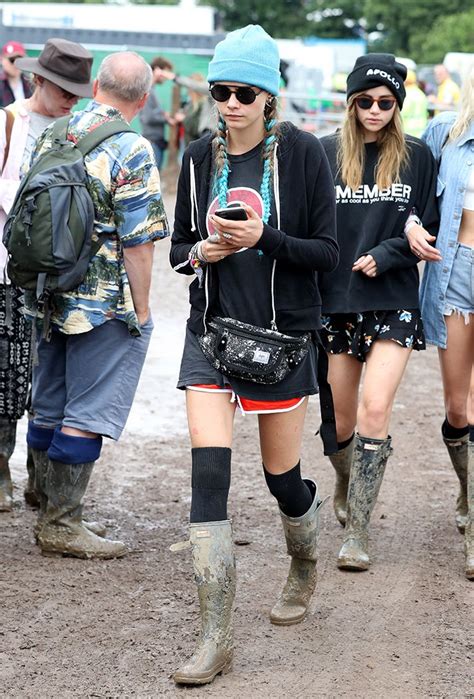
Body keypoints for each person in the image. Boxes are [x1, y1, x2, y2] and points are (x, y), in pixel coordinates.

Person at [169, 24, 338, 685]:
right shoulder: (195, 157)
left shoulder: (302, 155)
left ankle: (303, 560)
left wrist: (265, 238)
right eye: (221, 91)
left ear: (270, 96)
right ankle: (215, 636)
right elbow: (182, 243)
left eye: (244, 92)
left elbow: (324, 252)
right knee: (206, 479)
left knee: (281, 479)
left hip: (280, 341)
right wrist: (199, 253)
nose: (231, 104)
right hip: (210, 335)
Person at [23, 50, 169, 559]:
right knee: (86, 410)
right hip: (101, 300)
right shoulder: (132, 149)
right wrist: (143, 308)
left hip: (44, 290)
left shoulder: (53, 131)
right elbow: (140, 243)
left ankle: (41, 496)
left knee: (49, 401)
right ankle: (61, 524)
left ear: (96, 85)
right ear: (143, 99)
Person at [319, 54, 438, 571]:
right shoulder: (323, 154)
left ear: (398, 105)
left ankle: (359, 533)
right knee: (341, 421)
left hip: (391, 298)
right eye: (363, 101)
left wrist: (389, 253)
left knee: (373, 412)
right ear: (350, 103)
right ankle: (346, 482)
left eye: (385, 103)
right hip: (336, 303)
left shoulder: (416, 156)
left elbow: (426, 225)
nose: (374, 110)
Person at [0, 38, 94, 513]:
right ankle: (2, 470)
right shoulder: (9, 123)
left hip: (59, 278)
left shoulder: (78, 131)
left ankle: (40, 478)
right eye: (63, 88)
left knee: (48, 377)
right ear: (39, 79)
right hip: (8, 273)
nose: (70, 99)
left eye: (77, 91)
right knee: (6, 373)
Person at [404, 68, 474, 580]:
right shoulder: (445, 133)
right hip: (455, 274)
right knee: (458, 405)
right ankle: (467, 488)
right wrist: (410, 225)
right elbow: (410, 191)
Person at [138, 55, 175, 169]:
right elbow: (148, 117)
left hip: (155, 141)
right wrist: (166, 119)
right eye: (166, 73)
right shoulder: (148, 90)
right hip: (152, 141)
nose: (166, 78)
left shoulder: (151, 90)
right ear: (158, 70)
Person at [0, 40, 32, 107]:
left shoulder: (30, 83)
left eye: (20, 60)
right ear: (2, 60)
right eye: (12, 60)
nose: (16, 64)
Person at [402, 69, 428, 138]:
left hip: (407, 130)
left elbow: (402, 111)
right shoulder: (420, 93)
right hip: (421, 130)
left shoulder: (406, 94)